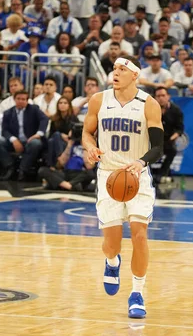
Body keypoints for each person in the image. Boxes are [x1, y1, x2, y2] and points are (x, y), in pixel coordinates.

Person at [82, 55, 164, 319]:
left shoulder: (149, 105)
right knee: (112, 244)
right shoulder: (98, 100)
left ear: (134, 76)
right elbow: (87, 133)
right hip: (108, 175)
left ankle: (138, 293)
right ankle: (112, 262)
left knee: (139, 235)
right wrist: (90, 148)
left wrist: (141, 162)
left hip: (137, 177)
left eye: (122, 69)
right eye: (114, 69)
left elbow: (159, 146)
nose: (115, 73)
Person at [0, 91, 48, 181]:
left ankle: (22, 170)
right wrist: (13, 140)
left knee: (35, 143)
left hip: (30, 140)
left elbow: (44, 119)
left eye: (23, 99)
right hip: (15, 141)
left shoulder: (34, 109)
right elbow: (4, 131)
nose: (21, 101)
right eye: (18, 99)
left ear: (27, 100)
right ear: (14, 99)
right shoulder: (8, 113)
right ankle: (9, 166)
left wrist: (38, 134)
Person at [38, 124, 95, 191]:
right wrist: (70, 142)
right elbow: (61, 163)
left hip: (79, 174)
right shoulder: (68, 144)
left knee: (90, 173)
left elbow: (89, 166)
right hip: (66, 173)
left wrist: (84, 143)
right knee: (42, 170)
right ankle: (69, 186)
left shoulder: (89, 146)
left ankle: (62, 184)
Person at [153, 86, 183, 184]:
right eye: (158, 96)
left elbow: (179, 129)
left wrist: (172, 139)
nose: (161, 98)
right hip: (152, 140)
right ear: (155, 98)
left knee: (172, 151)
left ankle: (161, 174)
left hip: (168, 139)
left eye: (163, 95)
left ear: (168, 96)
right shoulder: (150, 109)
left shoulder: (176, 110)